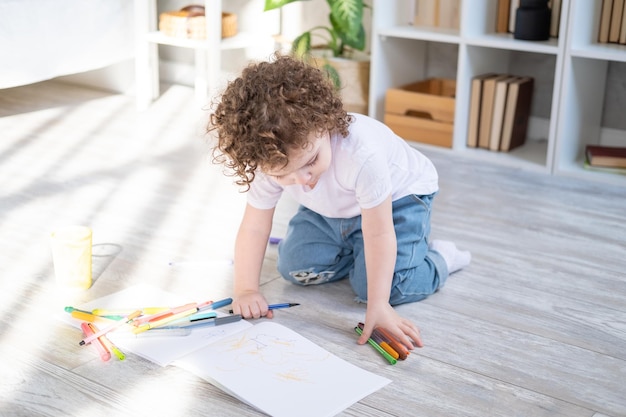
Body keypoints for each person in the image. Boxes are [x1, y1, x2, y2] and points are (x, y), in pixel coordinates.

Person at [208, 53, 470, 351]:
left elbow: (378, 232)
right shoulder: (268, 157)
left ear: (324, 123)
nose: (304, 179)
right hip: (334, 206)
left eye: (311, 161)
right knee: (294, 267)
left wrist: (378, 306)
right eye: (285, 176)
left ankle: (439, 259)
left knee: (377, 287)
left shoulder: (360, 154)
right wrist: (245, 289)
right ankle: (359, 253)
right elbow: (254, 227)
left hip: (399, 200)